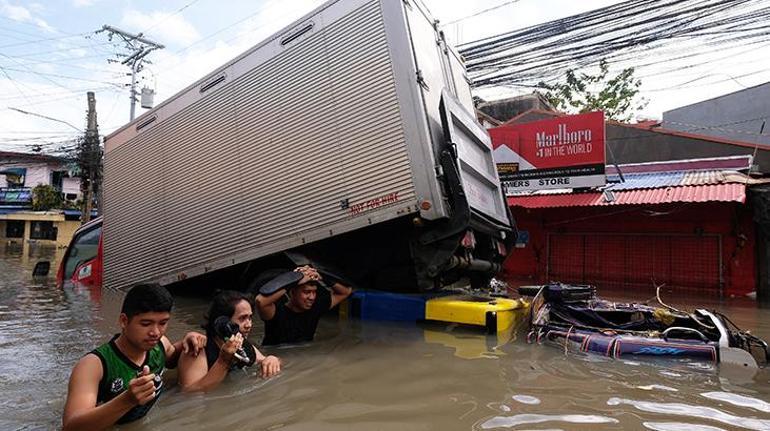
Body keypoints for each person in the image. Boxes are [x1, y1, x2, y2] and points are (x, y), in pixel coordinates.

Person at [62, 283, 207, 431]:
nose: (156, 332)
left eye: (163, 323)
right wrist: (127, 400)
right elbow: (71, 426)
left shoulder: (160, 345)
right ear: (124, 321)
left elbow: (172, 357)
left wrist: (187, 341)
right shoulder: (93, 365)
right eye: (146, 324)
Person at [178, 290, 281, 392]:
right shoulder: (198, 348)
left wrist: (272, 359)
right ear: (222, 322)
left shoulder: (241, 345)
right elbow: (190, 393)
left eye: (250, 318)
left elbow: (264, 360)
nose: (249, 325)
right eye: (242, 318)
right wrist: (223, 361)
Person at [255, 265, 353, 346]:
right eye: (307, 292)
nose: (311, 297)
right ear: (292, 293)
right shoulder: (276, 312)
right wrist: (293, 279)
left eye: (314, 292)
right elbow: (260, 301)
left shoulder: (316, 307)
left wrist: (320, 275)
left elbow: (346, 292)